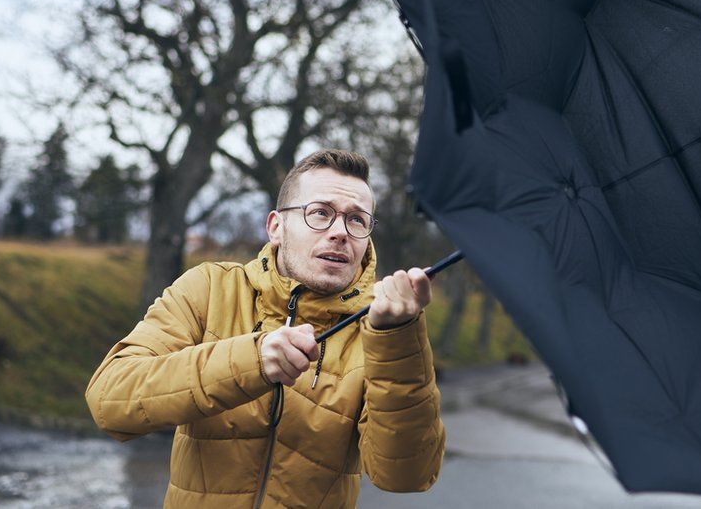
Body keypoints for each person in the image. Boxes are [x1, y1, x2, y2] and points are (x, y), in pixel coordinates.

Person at [85, 149, 445, 508]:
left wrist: (398, 341)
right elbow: (110, 400)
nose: (340, 232)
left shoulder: (382, 331)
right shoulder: (211, 289)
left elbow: (406, 475)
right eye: (320, 213)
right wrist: (252, 360)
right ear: (276, 226)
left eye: (357, 220)